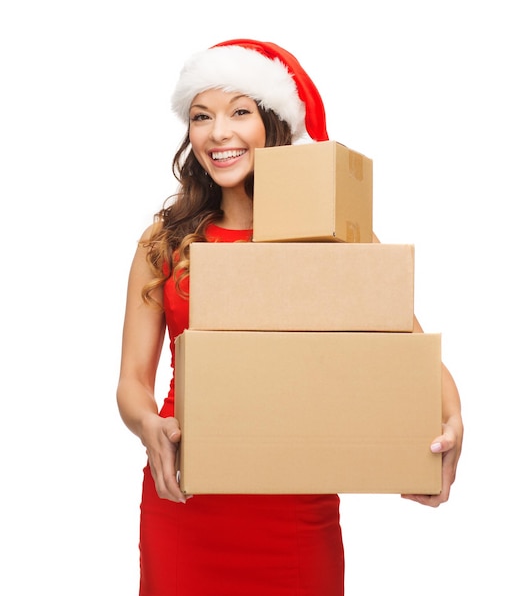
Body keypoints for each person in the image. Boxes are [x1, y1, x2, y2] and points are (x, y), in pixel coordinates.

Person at [116, 38, 463, 596]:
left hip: (295, 503)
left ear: (273, 123)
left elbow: (410, 350)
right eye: (201, 116)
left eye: (239, 112)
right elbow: (132, 380)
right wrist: (148, 426)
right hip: (185, 496)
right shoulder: (166, 242)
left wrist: (452, 421)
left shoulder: (328, 233)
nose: (218, 132)